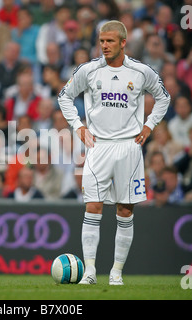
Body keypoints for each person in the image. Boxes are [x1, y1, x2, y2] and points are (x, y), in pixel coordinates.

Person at [58, 20, 170, 285]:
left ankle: (117, 272)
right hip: (98, 146)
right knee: (93, 207)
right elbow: (64, 96)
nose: (104, 46)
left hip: (129, 147)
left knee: (125, 210)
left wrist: (149, 124)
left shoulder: (141, 71)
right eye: (101, 41)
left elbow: (164, 97)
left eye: (109, 41)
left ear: (123, 42)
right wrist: (78, 126)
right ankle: (90, 271)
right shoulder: (88, 70)